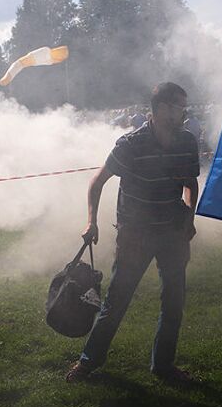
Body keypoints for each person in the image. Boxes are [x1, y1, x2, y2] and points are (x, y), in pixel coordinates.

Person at [66, 82, 200, 384]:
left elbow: (190, 183)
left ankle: (163, 366)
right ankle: (88, 363)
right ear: (163, 108)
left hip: (172, 233)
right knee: (116, 302)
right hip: (135, 234)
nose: (184, 112)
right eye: (180, 106)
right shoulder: (130, 144)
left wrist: (188, 218)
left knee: (174, 303)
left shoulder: (186, 141)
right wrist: (92, 222)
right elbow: (97, 182)